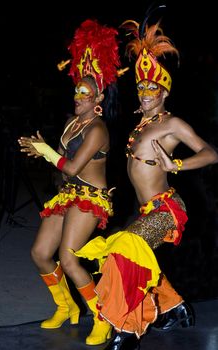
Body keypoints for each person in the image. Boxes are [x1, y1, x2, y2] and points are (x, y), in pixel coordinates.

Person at [72, 14, 218, 350]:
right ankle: (175, 308)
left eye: (153, 87)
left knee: (125, 252)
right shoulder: (140, 125)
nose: (145, 93)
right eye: (141, 87)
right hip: (146, 209)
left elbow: (211, 153)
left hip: (167, 208)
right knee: (133, 256)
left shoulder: (172, 123)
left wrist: (177, 163)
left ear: (165, 91)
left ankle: (128, 329)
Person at [18, 19, 121, 346]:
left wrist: (47, 151)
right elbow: (63, 169)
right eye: (76, 90)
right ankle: (66, 307)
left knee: (68, 257)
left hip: (91, 198)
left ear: (98, 98)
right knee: (39, 252)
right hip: (69, 194)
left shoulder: (98, 130)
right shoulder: (71, 122)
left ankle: (101, 319)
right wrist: (44, 153)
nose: (77, 96)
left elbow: (73, 164)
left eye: (84, 93)